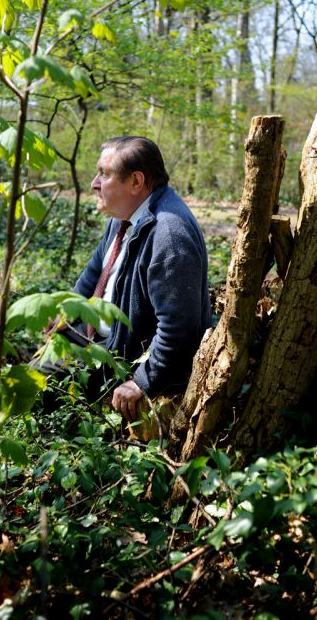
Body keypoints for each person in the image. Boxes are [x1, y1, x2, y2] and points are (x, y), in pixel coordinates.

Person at [62, 135, 212, 423]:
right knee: (21, 382)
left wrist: (141, 381)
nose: (94, 183)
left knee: (26, 393)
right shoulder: (123, 216)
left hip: (120, 361)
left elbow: (180, 329)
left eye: (105, 174)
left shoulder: (169, 237)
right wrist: (65, 312)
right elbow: (94, 273)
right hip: (93, 341)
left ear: (136, 182)